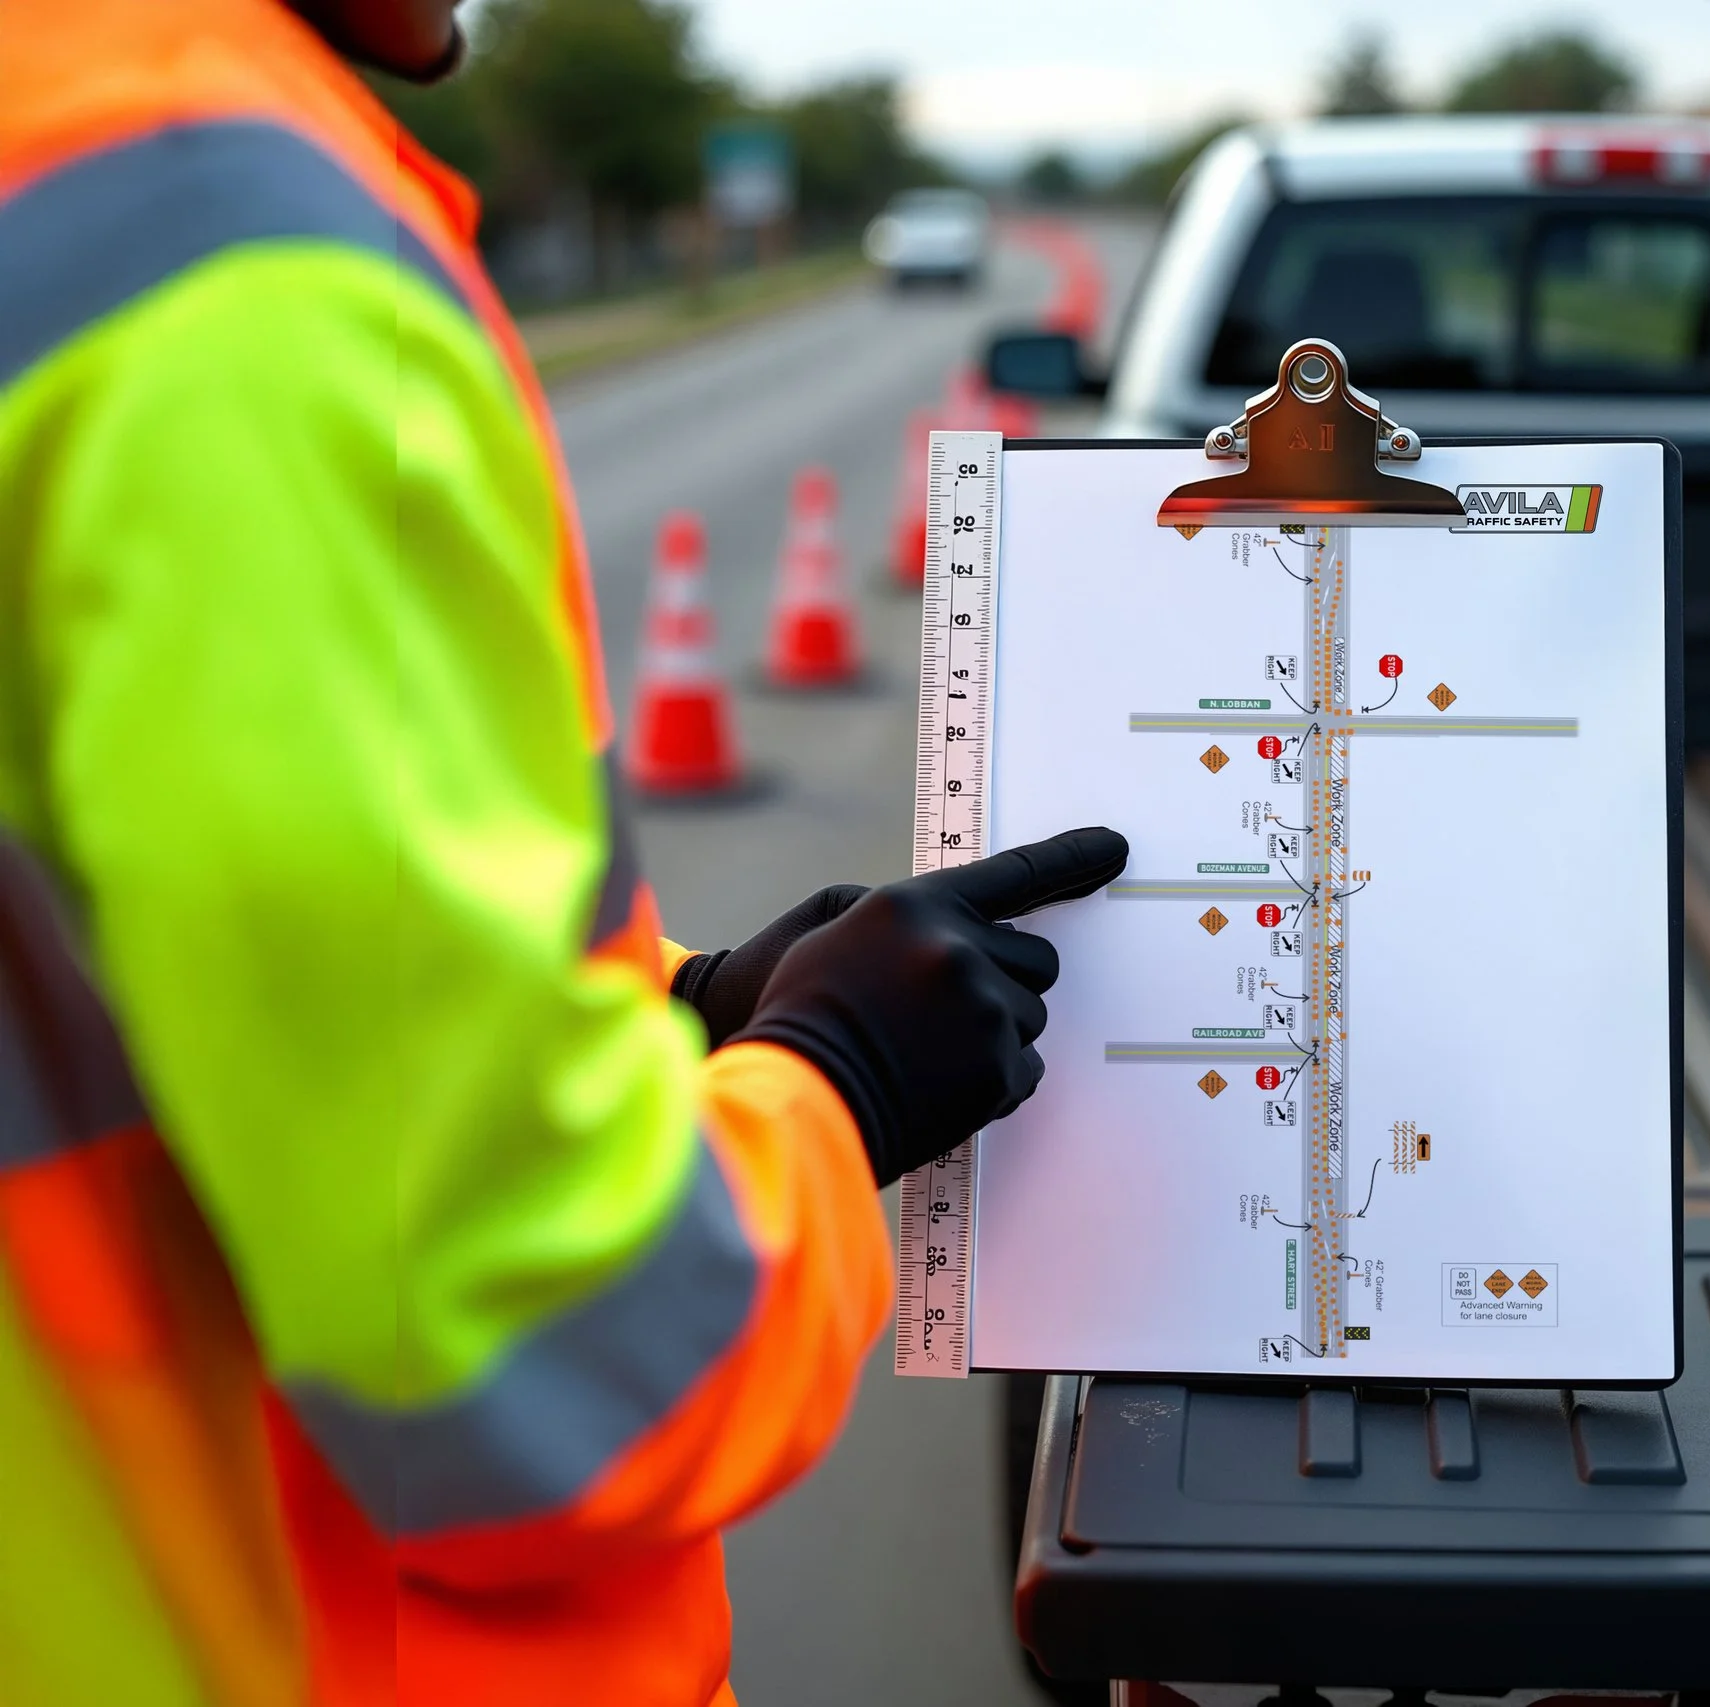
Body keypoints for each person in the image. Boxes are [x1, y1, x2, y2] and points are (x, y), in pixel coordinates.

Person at [0, 1, 1125, 1702]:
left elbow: (169, 1002)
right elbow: (540, 1363)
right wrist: (834, 1082)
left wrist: (681, 1012)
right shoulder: (222, 264)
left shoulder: (63, 154)